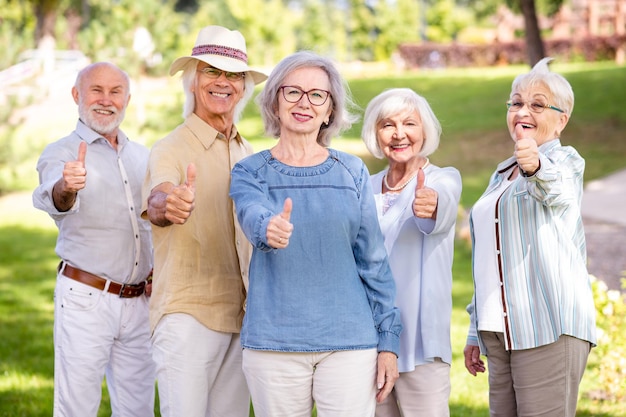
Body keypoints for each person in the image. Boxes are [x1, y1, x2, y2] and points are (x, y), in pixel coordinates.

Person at [229, 51, 403, 417]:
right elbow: (250, 212)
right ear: (275, 102)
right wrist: (268, 227)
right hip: (273, 345)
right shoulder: (249, 171)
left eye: (317, 95)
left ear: (329, 111)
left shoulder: (351, 171)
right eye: (292, 92)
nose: (304, 103)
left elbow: (373, 261)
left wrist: (388, 341)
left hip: (349, 343)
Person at [142, 25, 267, 417]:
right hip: (188, 315)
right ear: (194, 81)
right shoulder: (171, 148)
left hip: (242, 318)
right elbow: (158, 199)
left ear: (244, 88)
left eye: (233, 75)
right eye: (212, 71)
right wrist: (169, 204)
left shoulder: (250, 154)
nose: (223, 83)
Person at [463, 57, 597, 417]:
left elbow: (555, 191)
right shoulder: (501, 173)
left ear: (561, 120)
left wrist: (535, 165)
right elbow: (490, 255)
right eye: (517, 102)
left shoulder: (566, 161)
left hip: (547, 326)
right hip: (500, 331)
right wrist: (476, 330)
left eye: (537, 104)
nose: (523, 110)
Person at [32, 62, 155, 416]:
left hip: (138, 302)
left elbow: (150, 226)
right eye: (96, 90)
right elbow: (57, 197)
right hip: (86, 299)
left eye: (115, 91)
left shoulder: (142, 156)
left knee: (138, 409)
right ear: (76, 95)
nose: (106, 100)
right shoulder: (61, 153)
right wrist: (67, 185)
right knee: (77, 408)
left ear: (127, 98)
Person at [361, 88, 462, 417]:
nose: (399, 133)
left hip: (420, 344)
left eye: (409, 123)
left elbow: (440, 207)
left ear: (425, 131)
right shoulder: (364, 187)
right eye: (388, 125)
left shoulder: (442, 179)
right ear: (376, 134)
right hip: (368, 340)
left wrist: (429, 205)